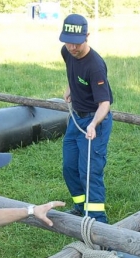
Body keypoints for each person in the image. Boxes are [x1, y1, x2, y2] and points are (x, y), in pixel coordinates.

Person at [59, 13, 113, 224]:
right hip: (76, 120)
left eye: (77, 43)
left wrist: (93, 124)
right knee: (70, 167)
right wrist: (70, 87)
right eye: (69, 42)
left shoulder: (95, 66)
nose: (73, 48)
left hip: (94, 121)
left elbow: (105, 104)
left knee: (89, 171)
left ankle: (97, 220)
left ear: (87, 36)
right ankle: (81, 207)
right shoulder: (66, 52)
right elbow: (72, 73)